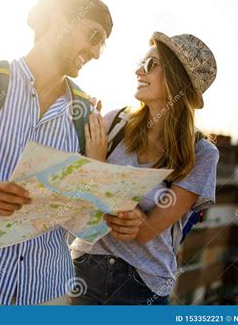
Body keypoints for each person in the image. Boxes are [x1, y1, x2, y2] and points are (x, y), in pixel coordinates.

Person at [0, 0, 138, 305]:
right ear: (59, 20)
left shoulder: (85, 115)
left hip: (50, 294)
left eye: (102, 44)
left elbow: (80, 219)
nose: (96, 52)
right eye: (93, 36)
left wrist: (114, 211)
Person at [70, 31, 219, 305]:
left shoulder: (202, 154)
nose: (139, 70)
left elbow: (144, 231)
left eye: (151, 65)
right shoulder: (113, 122)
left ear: (177, 81)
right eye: (142, 61)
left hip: (142, 288)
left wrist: (100, 164)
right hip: (83, 273)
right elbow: (78, 189)